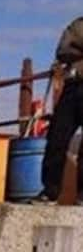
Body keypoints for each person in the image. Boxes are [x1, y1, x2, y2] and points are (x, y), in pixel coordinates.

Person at [39, 16, 83, 205]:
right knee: (57, 137)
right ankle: (50, 191)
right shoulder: (79, 24)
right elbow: (64, 50)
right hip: (74, 85)